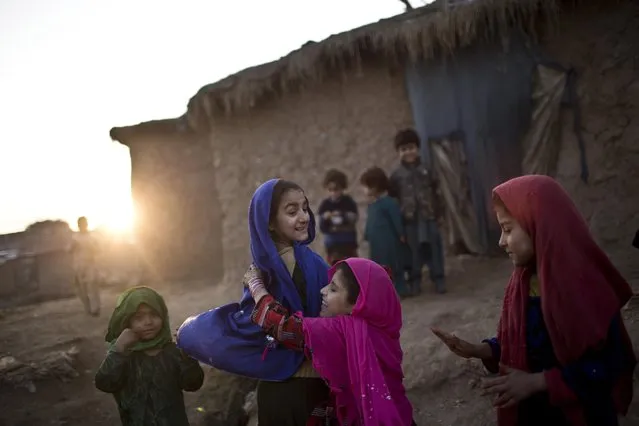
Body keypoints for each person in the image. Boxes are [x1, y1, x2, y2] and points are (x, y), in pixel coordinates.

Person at [432, 175, 636, 426]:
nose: (501, 241)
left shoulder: (585, 289)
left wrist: (539, 381)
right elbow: (528, 343)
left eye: (507, 229)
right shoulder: (522, 282)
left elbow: (608, 365)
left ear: (539, 225)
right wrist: (482, 350)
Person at [176, 179, 329, 426]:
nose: (304, 217)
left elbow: (259, 326)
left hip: (287, 390)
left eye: (304, 207)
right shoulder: (313, 261)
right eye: (292, 211)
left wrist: (191, 332)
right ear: (268, 222)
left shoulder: (274, 268)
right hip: (318, 385)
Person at [245, 257, 415, 426]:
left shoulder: (340, 331)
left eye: (333, 289)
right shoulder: (383, 331)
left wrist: (255, 284)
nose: (323, 291)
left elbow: (282, 326)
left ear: (358, 303)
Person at [95, 286, 204, 426]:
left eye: (154, 314)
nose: (148, 322)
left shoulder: (173, 352)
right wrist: (118, 350)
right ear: (127, 322)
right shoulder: (124, 355)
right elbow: (104, 383)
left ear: (163, 315)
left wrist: (187, 355)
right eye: (138, 317)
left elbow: (193, 384)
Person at [389, 129, 445, 294]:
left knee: (434, 248)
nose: (408, 152)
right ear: (399, 152)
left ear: (418, 148)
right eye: (403, 149)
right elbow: (394, 200)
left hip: (429, 216)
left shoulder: (427, 169)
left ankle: (439, 278)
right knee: (413, 252)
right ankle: (415, 281)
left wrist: (441, 214)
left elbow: (438, 193)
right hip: (409, 219)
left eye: (411, 147)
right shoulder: (396, 176)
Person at [360, 166, 409, 297]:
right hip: (376, 244)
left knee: (394, 265)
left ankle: (400, 289)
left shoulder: (389, 203)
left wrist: (401, 234)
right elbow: (370, 222)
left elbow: (396, 219)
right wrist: (366, 235)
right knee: (379, 267)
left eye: (366, 186)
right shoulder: (372, 205)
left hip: (389, 242)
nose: (363, 190)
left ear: (374, 187)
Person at [318, 169, 359, 265]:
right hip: (333, 245)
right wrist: (326, 218)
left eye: (336, 189)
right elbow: (321, 226)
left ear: (342, 188)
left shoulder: (348, 202)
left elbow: (354, 218)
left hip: (348, 243)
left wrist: (342, 215)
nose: (333, 193)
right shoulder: (325, 204)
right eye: (330, 190)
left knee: (352, 268)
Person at [70, 216, 101, 316]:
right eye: (80, 224)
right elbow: (69, 250)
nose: (82, 226)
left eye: (84, 224)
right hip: (79, 265)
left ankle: (96, 308)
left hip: (90, 263)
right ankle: (88, 309)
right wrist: (73, 246)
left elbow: (98, 249)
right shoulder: (75, 237)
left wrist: (93, 247)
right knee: (82, 288)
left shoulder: (92, 236)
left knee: (92, 285)